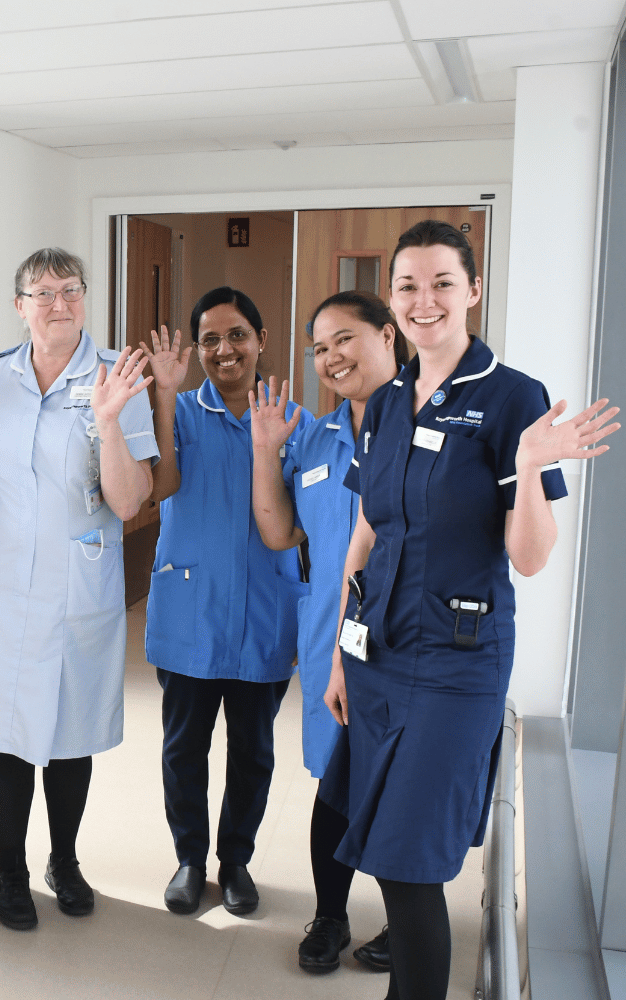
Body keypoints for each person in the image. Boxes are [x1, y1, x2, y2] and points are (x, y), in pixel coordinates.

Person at [322, 220, 620, 999]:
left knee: (412, 861)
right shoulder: (386, 401)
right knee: (382, 851)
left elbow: (529, 556)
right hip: (378, 653)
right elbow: (367, 533)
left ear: (474, 291)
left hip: (457, 663)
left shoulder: (512, 396)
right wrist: (338, 653)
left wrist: (526, 466)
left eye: (443, 283)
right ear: (393, 300)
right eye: (410, 286)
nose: (426, 302)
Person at [0, 247, 157, 931]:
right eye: (41, 293)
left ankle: (63, 860)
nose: (58, 303)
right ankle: (9, 868)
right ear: (20, 306)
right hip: (2, 581)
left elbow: (131, 501)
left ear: (85, 298)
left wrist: (108, 420)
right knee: (7, 734)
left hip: (79, 583)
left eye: (70, 289)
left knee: (70, 735)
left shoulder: (118, 377)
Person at [247, 290, 404, 973]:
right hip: (329, 637)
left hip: (405, 638)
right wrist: (264, 450)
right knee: (337, 781)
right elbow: (281, 531)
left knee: (401, 784)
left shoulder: (435, 428)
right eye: (320, 347)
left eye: (346, 338)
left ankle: (409, 919)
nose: (332, 356)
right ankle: (331, 915)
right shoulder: (313, 438)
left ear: (389, 335)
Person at [141, 286, 306, 920]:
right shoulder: (178, 412)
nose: (224, 349)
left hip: (266, 608)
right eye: (209, 338)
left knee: (254, 749)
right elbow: (160, 485)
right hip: (192, 610)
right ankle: (189, 857)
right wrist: (161, 391)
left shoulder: (294, 420)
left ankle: (235, 860)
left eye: (237, 334)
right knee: (183, 746)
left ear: (262, 341)